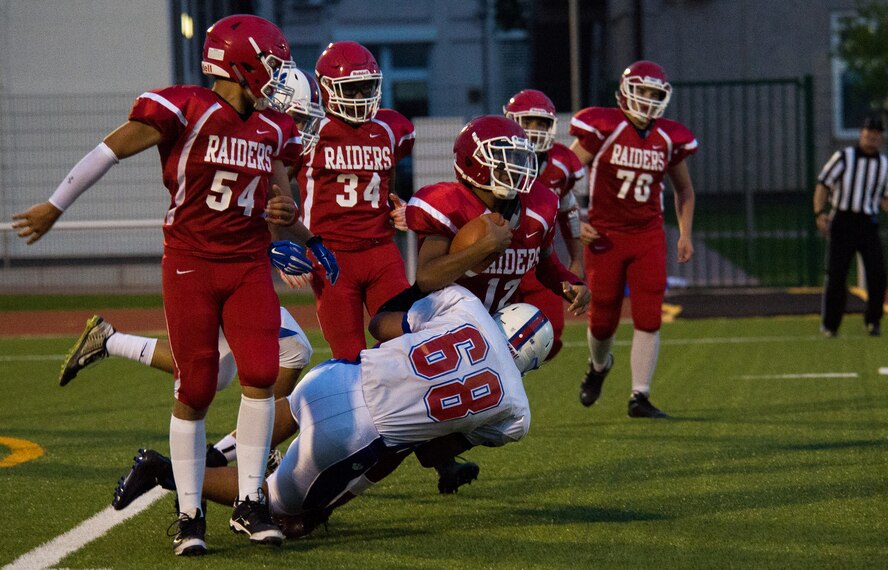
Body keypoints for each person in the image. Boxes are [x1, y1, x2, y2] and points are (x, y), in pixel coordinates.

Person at [10, 15, 336, 556]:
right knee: (196, 386)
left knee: (260, 373)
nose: (280, 77)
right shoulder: (185, 106)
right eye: (273, 65)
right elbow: (109, 151)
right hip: (191, 263)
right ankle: (189, 514)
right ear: (240, 62)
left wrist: (295, 223)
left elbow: (281, 203)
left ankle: (250, 502)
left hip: (247, 265)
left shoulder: (274, 128)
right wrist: (55, 204)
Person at [110, 285, 554, 539]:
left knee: (290, 410)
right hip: (357, 435)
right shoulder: (515, 413)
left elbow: (382, 325)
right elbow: (431, 452)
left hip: (339, 375)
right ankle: (164, 470)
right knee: (278, 508)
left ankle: (212, 455)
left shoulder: (467, 304)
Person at [406, 115, 589, 490]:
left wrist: (569, 283)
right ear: (472, 164)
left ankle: (438, 453)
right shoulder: (450, 204)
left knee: (511, 398)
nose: (514, 169)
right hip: (436, 326)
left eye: (518, 159)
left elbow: (544, 263)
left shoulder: (539, 205)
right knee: (394, 421)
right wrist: (483, 247)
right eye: (503, 160)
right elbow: (427, 277)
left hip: (488, 329)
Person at [568, 60, 697, 419]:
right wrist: (577, 219)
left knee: (649, 314)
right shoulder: (605, 128)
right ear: (626, 92)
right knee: (602, 318)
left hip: (647, 234)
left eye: (655, 94)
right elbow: (562, 178)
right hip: (605, 234)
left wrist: (685, 232)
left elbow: (684, 190)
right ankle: (598, 367)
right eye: (643, 91)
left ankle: (640, 395)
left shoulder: (668, 138)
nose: (648, 100)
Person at [294, 41, 415, 361]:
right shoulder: (310, 131)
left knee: (406, 343)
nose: (361, 96)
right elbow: (274, 184)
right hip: (331, 254)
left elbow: (386, 177)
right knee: (348, 357)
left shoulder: (390, 128)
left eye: (366, 87)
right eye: (351, 88)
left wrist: (395, 205)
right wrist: (283, 237)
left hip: (381, 252)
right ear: (326, 88)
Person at [504, 89, 586, 360]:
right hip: (497, 261)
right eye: (527, 121)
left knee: (550, 332)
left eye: (541, 123)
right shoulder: (498, 157)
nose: (534, 130)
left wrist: (576, 259)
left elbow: (568, 208)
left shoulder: (561, 164)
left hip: (537, 262)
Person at [814, 115, 888, 337]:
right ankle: (830, 325)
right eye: (868, 132)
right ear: (861, 134)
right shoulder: (844, 157)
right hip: (843, 221)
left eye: (876, 133)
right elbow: (823, 183)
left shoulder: (884, 165)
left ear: (881, 138)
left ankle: (873, 321)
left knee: (877, 273)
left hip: (868, 223)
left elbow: (884, 198)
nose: (872, 136)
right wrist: (819, 213)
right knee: (837, 275)